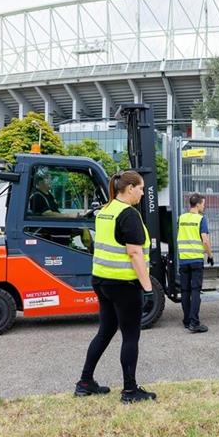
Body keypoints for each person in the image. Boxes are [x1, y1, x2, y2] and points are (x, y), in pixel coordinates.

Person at [74, 170, 157, 404]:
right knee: (131, 336)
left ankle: (85, 382)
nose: (142, 192)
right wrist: (148, 288)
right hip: (123, 284)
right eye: (140, 188)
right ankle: (130, 391)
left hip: (101, 280)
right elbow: (134, 252)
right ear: (129, 188)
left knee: (106, 331)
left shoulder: (105, 211)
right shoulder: (128, 214)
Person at [177, 193, 214, 333]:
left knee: (185, 291)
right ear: (197, 204)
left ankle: (186, 320)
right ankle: (194, 322)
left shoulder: (181, 218)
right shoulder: (200, 219)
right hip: (196, 260)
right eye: (203, 204)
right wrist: (210, 255)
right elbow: (205, 240)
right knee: (195, 291)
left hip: (183, 260)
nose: (204, 206)